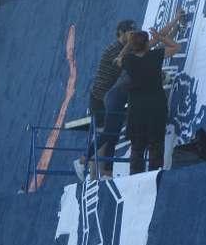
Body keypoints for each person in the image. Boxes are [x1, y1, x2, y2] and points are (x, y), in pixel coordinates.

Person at [74, 10, 187, 180]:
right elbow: (154, 42)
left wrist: (175, 20)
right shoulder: (119, 51)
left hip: (119, 95)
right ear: (122, 34)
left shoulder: (131, 53)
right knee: (108, 133)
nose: (133, 33)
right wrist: (164, 31)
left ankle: (104, 171)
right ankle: (84, 159)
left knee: (113, 134)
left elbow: (154, 40)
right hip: (105, 96)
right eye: (130, 31)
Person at [118, 29, 180, 174]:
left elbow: (118, 58)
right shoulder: (155, 55)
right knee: (156, 146)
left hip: (136, 110)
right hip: (156, 107)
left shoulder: (129, 60)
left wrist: (128, 44)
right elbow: (176, 47)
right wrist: (160, 37)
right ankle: (155, 177)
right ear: (147, 44)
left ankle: (134, 178)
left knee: (137, 149)